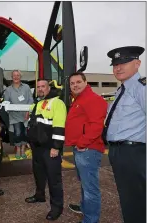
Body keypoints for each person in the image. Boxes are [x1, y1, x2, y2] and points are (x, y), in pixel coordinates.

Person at [103, 46, 146, 223]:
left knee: (135, 200)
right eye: (115, 64)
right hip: (119, 152)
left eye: (123, 63)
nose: (118, 68)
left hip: (133, 152)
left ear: (137, 63)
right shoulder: (121, 90)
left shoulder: (141, 87)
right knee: (128, 198)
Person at [65, 72, 108, 223]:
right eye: (72, 83)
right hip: (82, 148)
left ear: (85, 82)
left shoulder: (92, 99)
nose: (75, 85)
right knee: (85, 183)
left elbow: (96, 126)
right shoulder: (80, 99)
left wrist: (82, 143)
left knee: (90, 188)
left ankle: (91, 219)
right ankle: (85, 208)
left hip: (88, 149)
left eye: (78, 82)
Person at [25, 79, 66, 221]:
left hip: (50, 149)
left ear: (49, 88)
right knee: (39, 174)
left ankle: (57, 208)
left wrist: (56, 147)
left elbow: (59, 127)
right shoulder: (36, 104)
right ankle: (39, 195)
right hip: (37, 148)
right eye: (38, 87)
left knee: (54, 179)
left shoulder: (57, 103)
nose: (40, 89)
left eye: (43, 86)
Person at [3, 70, 33, 159]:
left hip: (25, 115)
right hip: (14, 116)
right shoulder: (8, 89)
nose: (16, 77)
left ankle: (23, 150)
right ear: (12, 77)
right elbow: (6, 101)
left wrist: (29, 111)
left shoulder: (26, 87)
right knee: (18, 133)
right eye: (14, 75)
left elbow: (30, 100)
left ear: (21, 77)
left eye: (18, 75)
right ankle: (18, 150)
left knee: (25, 133)